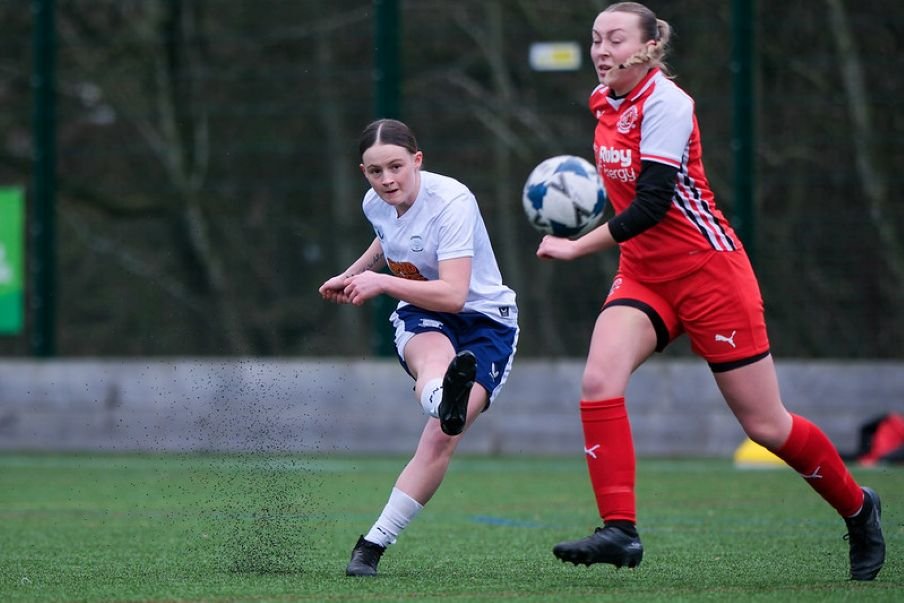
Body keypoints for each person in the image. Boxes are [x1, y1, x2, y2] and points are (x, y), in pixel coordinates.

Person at [537, 2, 885, 581]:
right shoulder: (603, 102)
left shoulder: (669, 104)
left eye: (615, 39)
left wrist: (576, 244)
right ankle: (619, 531)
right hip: (645, 274)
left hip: (709, 274)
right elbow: (625, 191)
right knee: (599, 380)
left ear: (648, 47)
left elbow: (652, 202)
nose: (601, 50)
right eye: (596, 39)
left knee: (766, 426)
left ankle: (858, 508)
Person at [319, 118, 519, 577]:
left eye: (396, 167)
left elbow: (453, 294)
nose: (387, 180)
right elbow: (387, 238)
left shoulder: (452, 201)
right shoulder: (375, 202)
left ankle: (374, 542)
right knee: (434, 360)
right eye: (374, 171)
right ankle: (440, 397)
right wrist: (352, 274)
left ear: (417, 161)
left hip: (486, 320)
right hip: (421, 309)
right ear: (363, 172)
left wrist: (380, 282)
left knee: (440, 438)